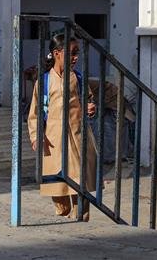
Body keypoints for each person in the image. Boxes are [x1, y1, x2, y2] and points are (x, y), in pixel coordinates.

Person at [28, 34, 98, 221]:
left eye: (77, 53)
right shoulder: (43, 82)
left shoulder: (78, 78)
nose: (75, 58)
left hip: (77, 136)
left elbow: (88, 101)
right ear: (57, 53)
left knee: (79, 181)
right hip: (53, 140)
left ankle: (81, 219)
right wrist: (36, 136)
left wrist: (90, 108)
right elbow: (34, 113)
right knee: (57, 186)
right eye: (72, 53)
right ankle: (63, 208)